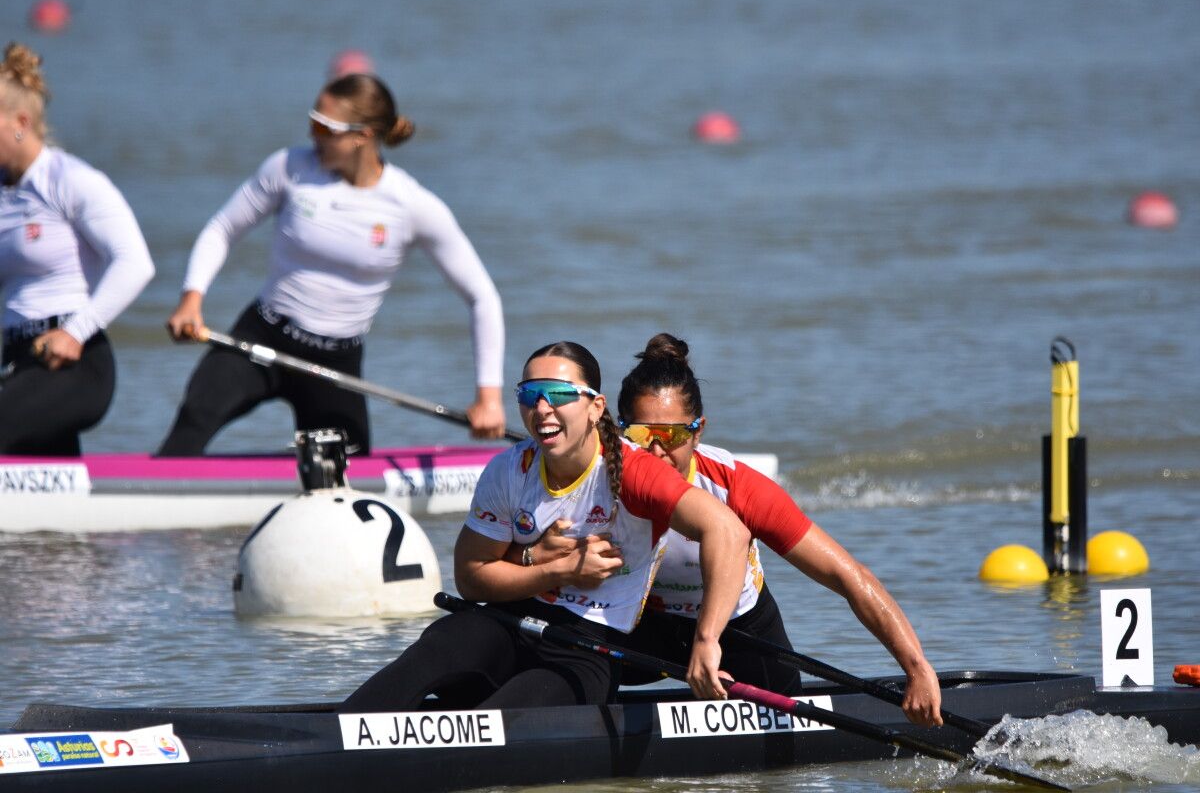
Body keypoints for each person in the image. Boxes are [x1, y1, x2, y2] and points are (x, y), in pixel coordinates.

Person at [523, 334, 944, 727]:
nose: (654, 450)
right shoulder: (599, 476)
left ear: (699, 430)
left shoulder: (737, 487)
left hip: (737, 629)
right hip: (640, 628)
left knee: (786, 748)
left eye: (671, 435)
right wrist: (536, 555)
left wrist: (916, 668)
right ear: (617, 429)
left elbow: (849, 577)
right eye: (640, 433)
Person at [340, 341, 752, 711]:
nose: (542, 409)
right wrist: (559, 570)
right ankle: (331, 737)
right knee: (439, 646)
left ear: (595, 407)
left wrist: (705, 642)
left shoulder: (635, 472)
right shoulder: (508, 470)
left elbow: (728, 531)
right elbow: (471, 578)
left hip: (589, 648)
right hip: (512, 621)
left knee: (503, 718)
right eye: (530, 395)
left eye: (558, 395)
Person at [158, 72, 504, 455]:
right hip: (261, 338)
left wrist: (488, 397)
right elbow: (222, 228)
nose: (312, 135)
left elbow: (481, 296)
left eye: (324, 127)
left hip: (335, 364)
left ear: (363, 136)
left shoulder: (412, 205)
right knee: (191, 424)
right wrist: (192, 298)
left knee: (344, 476)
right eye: (311, 122)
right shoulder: (288, 168)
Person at [0, 43, 154, 456]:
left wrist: (73, 332)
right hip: (20, 361)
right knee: (48, 488)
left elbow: (136, 264)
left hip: (76, 362)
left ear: (20, 122)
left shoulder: (68, 179)